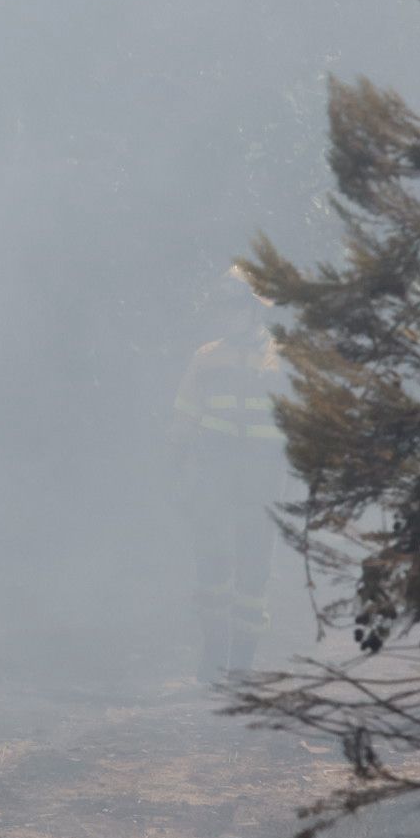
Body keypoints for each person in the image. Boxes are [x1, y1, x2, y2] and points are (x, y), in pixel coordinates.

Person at [171, 264, 287, 683]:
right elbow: (184, 418)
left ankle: (242, 662)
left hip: (262, 477)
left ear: (256, 310)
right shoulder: (206, 356)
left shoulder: (282, 360)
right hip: (213, 475)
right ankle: (213, 654)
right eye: (222, 306)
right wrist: (177, 467)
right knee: (212, 566)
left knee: (253, 575)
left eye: (234, 305)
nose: (226, 314)